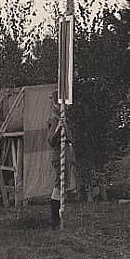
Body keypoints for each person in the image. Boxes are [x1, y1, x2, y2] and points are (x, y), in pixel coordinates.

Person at [47, 91, 74, 228]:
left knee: (64, 184)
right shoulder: (55, 118)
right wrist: (58, 128)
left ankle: (57, 218)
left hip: (66, 152)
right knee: (59, 184)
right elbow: (51, 140)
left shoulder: (62, 117)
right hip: (58, 154)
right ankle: (54, 220)